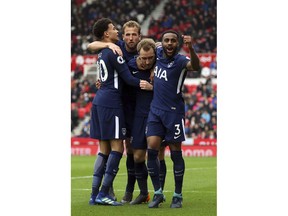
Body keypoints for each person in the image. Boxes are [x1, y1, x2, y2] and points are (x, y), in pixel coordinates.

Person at [87, 21, 167, 204]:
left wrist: (155, 67)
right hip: (119, 104)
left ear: (140, 36)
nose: (130, 38)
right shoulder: (117, 48)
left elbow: (162, 48)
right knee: (120, 149)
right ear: (122, 36)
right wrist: (108, 44)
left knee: (131, 151)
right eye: (126, 34)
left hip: (136, 107)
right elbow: (91, 45)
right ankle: (106, 192)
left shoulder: (147, 48)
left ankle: (128, 192)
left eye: (134, 34)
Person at [146, 30, 200, 208]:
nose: (169, 43)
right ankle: (158, 192)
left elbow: (196, 66)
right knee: (152, 150)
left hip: (174, 112)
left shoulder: (181, 61)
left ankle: (177, 195)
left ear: (177, 44)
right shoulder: (158, 51)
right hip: (155, 111)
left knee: (176, 153)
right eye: (166, 40)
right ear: (162, 42)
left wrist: (191, 48)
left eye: (173, 41)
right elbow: (147, 45)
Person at [126, 38, 155, 205]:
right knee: (137, 156)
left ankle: (159, 192)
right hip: (138, 116)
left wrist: (154, 86)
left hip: (156, 115)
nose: (146, 61)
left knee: (157, 154)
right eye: (143, 58)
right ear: (138, 55)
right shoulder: (130, 66)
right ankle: (144, 193)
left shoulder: (160, 64)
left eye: (150, 58)